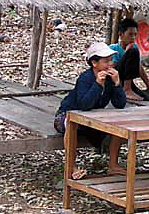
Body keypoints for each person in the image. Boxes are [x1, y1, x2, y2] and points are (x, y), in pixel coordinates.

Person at [53, 42, 127, 179]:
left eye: (111, 60)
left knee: (120, 124)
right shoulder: (85, 78)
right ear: (94, 62)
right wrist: (98, 84)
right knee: (71, 124)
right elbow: (84, 104)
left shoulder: (111, 78)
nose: (110, 64)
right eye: (106, 61)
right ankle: (71, 167)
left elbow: (120, 104)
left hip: (93, 118)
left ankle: (113, 164)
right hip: (68, 115)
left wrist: (117, 84)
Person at [109, 18, 149, 101]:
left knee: (147, 98)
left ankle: (129, 88)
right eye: (130, 34)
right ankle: (127, 90)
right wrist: (127, 52)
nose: (133, 38)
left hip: (128, 81)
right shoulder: (113, 48)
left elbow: (139, 68)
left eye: (135, 35)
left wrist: (148, 85)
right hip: (115, 81)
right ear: (121, 34)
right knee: (132, 51)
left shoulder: (134, 46)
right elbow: (111, 69)